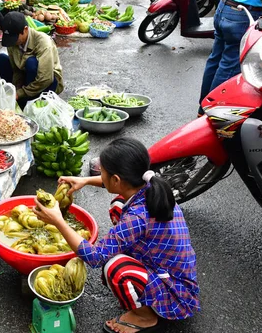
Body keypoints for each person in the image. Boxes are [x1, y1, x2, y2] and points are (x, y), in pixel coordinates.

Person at [34, 138, 200, 333]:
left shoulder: (137, 217)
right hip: (165, 267)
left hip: (176, 293)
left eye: (101, 171)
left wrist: (58, 221)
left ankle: (145, 317)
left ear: (116, 179)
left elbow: (95, 258)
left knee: (114, 267)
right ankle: (140, 286)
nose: (99, 174)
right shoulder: (148, 186)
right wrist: (85, 181)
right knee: (118, 205)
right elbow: (117, 185)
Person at [0, 12, 64, 108]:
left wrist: (21, 93)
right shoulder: (12, 42)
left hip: (48, 82)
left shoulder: (43, 42)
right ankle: (19, 99)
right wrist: (15, 90)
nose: (12, 42)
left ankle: (30, 99)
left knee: (31, 62)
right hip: (26, 76)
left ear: (25, 30)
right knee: (1, 59)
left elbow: (45, 78)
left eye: (14, 38)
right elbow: (16, 70)